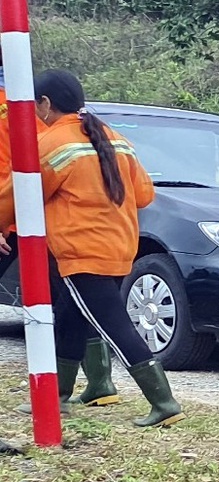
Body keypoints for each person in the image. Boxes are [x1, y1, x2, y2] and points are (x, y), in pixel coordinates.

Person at [0, 71, 179, 426]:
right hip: (119, 245)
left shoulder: (51, 144)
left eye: (36, 106)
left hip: (81, 251)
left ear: (45, 104)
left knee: (115, 326)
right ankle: (58, 397)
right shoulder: (114, 138)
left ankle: (164, 403)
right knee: (72, 317)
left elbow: (18, 194)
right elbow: (144, 194)